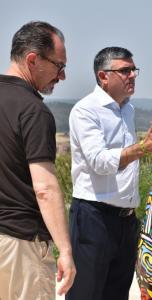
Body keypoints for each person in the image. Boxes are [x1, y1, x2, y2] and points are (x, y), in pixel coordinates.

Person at [66, 46, 152, 300]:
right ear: (103, 76)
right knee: (86, 294)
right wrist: (142, 148)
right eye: (125, 70)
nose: (132, 76)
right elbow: (100, 162)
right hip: (94, 217)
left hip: (126, 221)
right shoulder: (86, 110)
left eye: (134, 70)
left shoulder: (128, 109)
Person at [0, 21, 76, 299]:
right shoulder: (33, 111)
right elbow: (44, 188)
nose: (63, 76)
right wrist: (65, 252)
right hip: (20, 248)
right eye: (59, 66)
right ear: (33, 59)